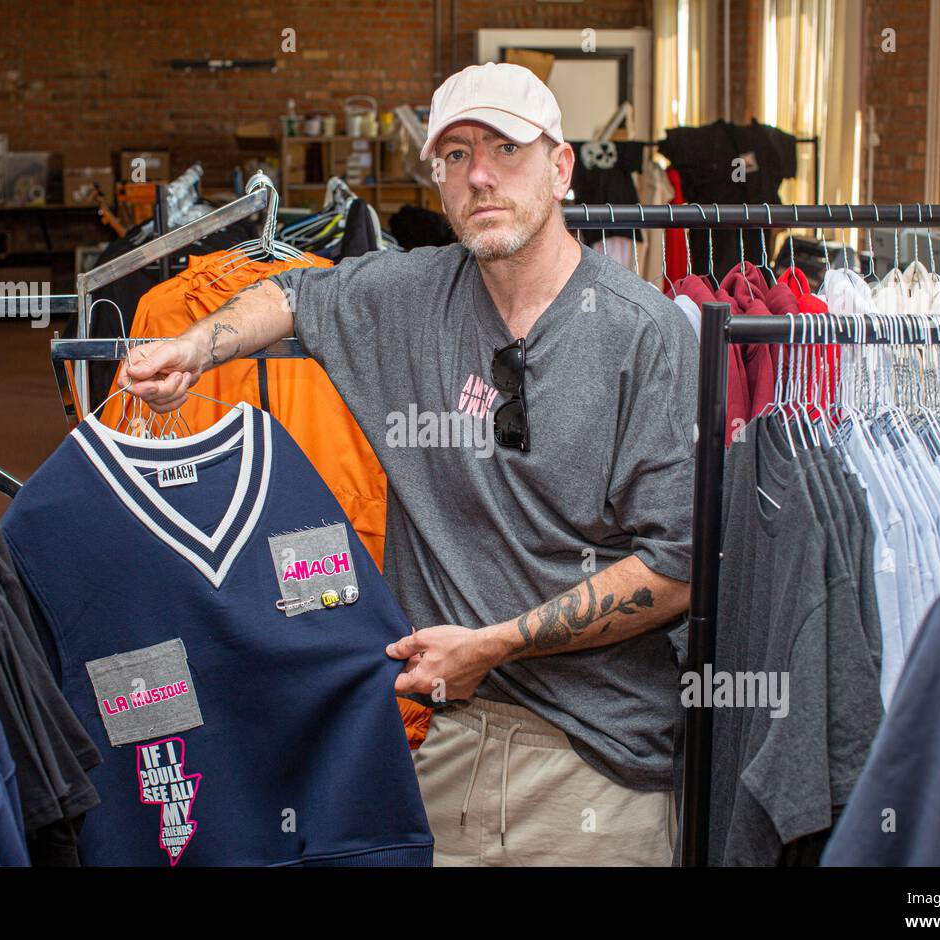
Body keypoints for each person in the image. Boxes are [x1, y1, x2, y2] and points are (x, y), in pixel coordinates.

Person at [117, 61, 697, 866]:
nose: (479, 175)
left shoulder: (645, 333)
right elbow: (289, 294)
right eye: (453, 156)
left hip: (594, 759)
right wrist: (192, 345)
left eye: (505, 147)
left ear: (561, 167)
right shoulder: (411, 293)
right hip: (438, 744)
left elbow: (676, 568)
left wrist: (494, 644)